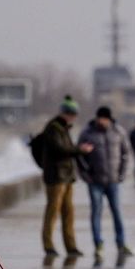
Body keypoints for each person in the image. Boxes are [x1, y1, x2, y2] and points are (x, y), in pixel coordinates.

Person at [39, 95, 93, 257]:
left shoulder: (64, 129)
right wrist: (80, 150)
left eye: (74, 115)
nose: (73, 118)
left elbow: (66, 148)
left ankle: (71, 247)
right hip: (56, 178)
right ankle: (48, 245)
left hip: (67, 177)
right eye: (71, 114)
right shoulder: (53, 128)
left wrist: (77, 149)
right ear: (64, 113)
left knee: (69, 213)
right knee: (53, 212)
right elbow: (60, 149)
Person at [78, 106, 132, 258]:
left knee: (117, 212)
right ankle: (98, 244)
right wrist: (85, 176)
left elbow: (126, 153)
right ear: (96, 118)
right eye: (100, 118)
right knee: (96, 212)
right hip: (95, 181)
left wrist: (122, 174)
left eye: (105, 119)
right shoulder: (87, 133)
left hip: (113, 181)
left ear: (109, 119)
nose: (102, 122)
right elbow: (79, 155)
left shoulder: (118, 132)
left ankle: (121, 243)